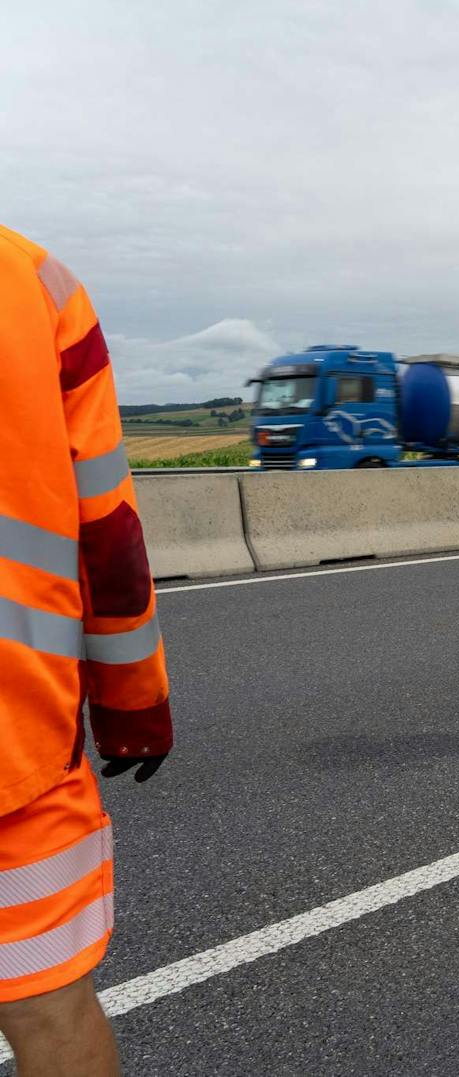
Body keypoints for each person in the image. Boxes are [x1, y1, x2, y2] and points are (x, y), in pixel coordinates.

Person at [0, 225, 174, 1076]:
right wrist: (133, 702)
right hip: (16, 733)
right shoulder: (35, 281)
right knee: (43, 999)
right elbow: (105, 527)